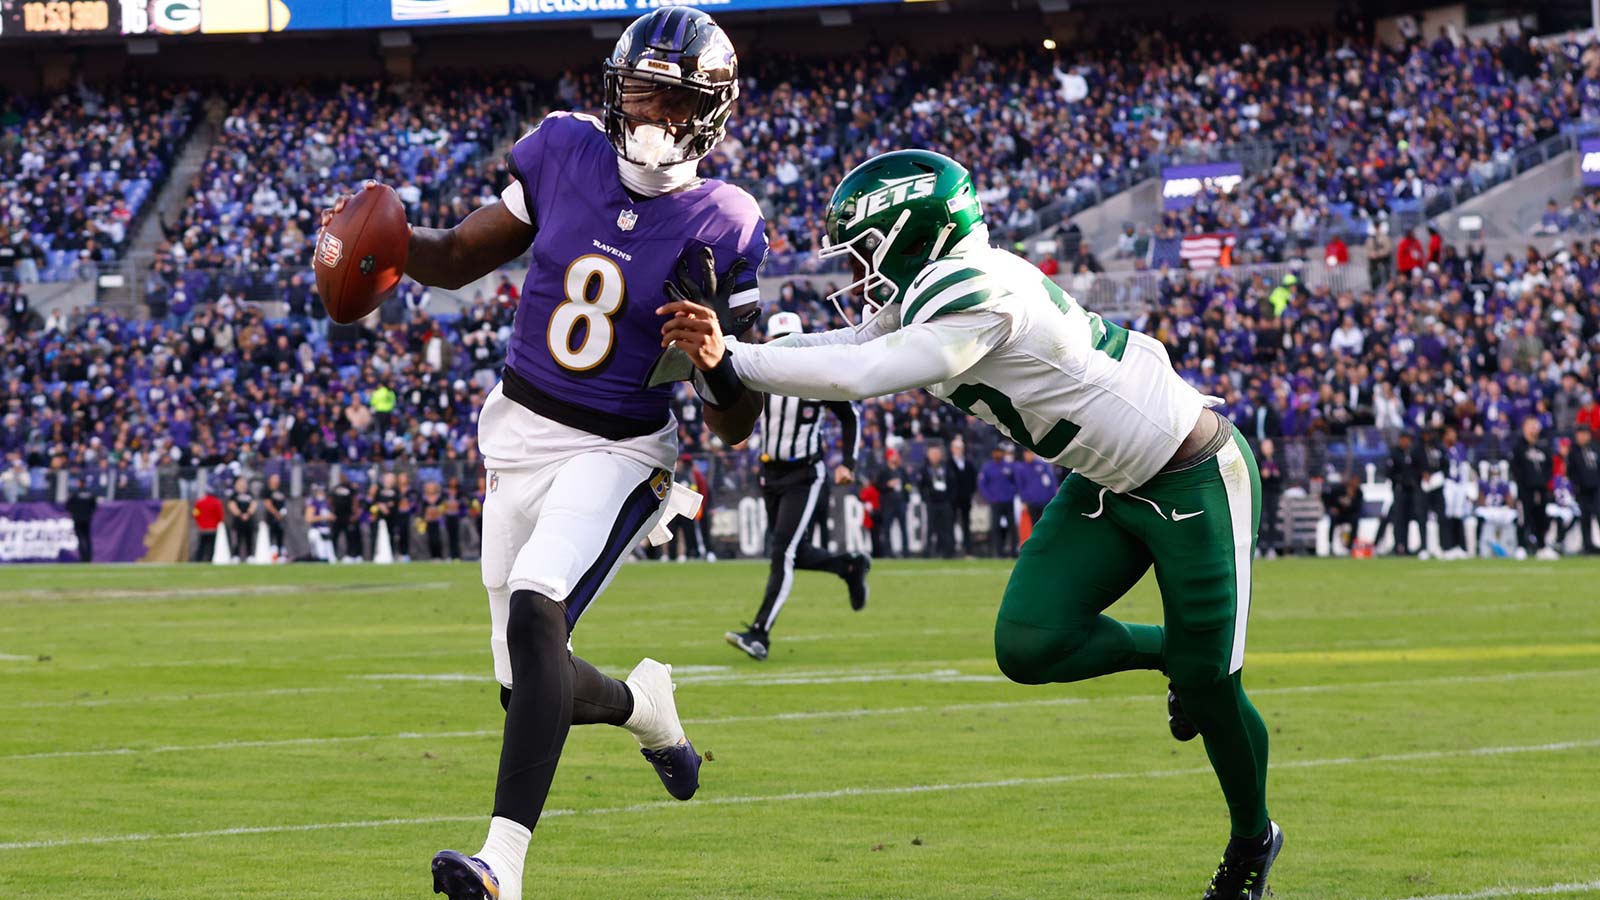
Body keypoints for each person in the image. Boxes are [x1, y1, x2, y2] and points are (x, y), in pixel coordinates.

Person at [662, 149, 1281, 897]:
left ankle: (1252, 840)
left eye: (864, 249)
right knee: (1029, 643)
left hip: (1192, 473)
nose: (856, 271)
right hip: (1108, 480)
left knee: (1213, 690)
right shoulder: (944, 280)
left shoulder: (975, 287)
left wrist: (734, 357)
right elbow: (849, 346)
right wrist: (734, 355)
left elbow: (861, 375)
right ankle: (1172, 656)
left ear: (910, 234)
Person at [325, 11, 767, 898]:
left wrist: (717, 359)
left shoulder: (725, 219)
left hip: (619, 446)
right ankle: (645, 708)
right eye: (636, 88)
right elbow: (460, 255)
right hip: (519, 431)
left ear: (706, 112)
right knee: (524, 682)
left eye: (668, 97)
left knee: (539, 610)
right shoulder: (566, 150)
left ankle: (502, 866)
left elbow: (735, 425)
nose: (645, 109)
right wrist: (384, 249)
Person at [726, 312, 870, 662]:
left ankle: (760, 634)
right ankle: (849, 566)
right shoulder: (759, 373)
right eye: (779, 341)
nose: (785, 348)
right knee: (795, 551)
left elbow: (850, 416)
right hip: (769, 473)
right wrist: (737, 433)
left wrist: (848, 463)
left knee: (783, 552)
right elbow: (738, 407)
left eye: (790, 340)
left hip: (804, 474)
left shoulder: (815, 377)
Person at [1510, 417, 1556, 559]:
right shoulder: (1519, 447)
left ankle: (1542, 547)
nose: (1533, 429)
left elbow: (1549, 466)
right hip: (1525, 489)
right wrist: (1525, 482)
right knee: (1523, 517)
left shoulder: (1543, 446)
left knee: (1541, 517)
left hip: (1541, 489)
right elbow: (1515, 468)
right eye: (1530, 426)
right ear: (1524, 428)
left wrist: (1544, 481)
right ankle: (1521, 546)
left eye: (1535, 426)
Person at [1376, 432, 1420, 556]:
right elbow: (1388, 472)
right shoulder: (1394, 453)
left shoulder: (1412, 453)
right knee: (1398, 520)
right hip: (1399, 490)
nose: (1405, 442)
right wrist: (1401, 479)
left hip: (1412, 491)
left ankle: (1406, 546)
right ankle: (1398, 546)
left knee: (1407, 520)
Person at [1440, 427, 1477, 559]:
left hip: (1460, 483)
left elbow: (1464, 465)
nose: (1452, 436)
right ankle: (1447, 546)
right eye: (1449, 434)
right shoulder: (1442, 448)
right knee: (1448, 513)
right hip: (1448, 483)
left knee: (1458, 514)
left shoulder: (1460, 448)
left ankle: (1460, 546)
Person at [978, 447, 1019, 557]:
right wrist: (990, 497)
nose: (997, 454)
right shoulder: (987, 467)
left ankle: (1013, 551)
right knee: (996, 527)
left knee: (1012, 527)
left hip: (1008, 501)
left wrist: (1011, 493)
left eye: (999, 452)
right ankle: (998, 552)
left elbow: (1016, 481)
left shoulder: (1009, 466)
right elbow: (982, 484)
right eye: (996, 452)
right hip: (995, 502)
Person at [919, 444, 957, 559]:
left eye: (937, 453)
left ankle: (948, 552)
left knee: (947, 527)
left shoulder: (946, 468)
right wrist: (926, 497)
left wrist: (949, 498)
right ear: (928, 455)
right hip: (931, 502)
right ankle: (928, 552)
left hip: (945, 502)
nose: (935, 456)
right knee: (930, 528)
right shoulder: (924, 469)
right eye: (932, 454)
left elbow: (953, 483)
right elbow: (921, 485)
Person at [872, 448, 909, 557]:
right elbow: (877, 486)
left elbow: (907, 484)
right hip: (888, 503)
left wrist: (906, 495)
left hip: (900, 502)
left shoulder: (901, 470)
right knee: (887, 528)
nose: (895, 457)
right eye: (893, 455)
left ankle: (905, 551)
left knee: (904, 528)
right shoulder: (883, 471)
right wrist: (888, 485)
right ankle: (888, 552)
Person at [1568, 426, 1600, 555]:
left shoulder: (1595, 448)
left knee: (1599, 513)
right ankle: (1588, 545)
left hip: (1597, 488)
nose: (1581, 437)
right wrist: (1577, 485)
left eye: (1584, 434)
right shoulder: (1573, 451)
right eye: (1579, 434)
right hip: (1582, 489)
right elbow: (1571, 471)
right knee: (1585, 517)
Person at [1014, 449, 1059, 529]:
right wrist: (1023, 500)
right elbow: (1020, 486)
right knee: (1035, 525)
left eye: (1031, 453)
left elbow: (1052, 481)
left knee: (1048, 524)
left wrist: (1054, 496)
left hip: (1045, 500)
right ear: (1024, 454)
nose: (1029, 455)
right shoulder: (1021, 468)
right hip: (1032, 502)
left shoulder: (1043, 465)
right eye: (1027, 453)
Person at [948, 435, 977, 554]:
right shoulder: (948, 463)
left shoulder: (968, 463)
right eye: (956, 448)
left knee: (966, 523)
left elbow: (973, 479)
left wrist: (970, 492)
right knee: (951, 523)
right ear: (952, 449)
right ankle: (951, 548)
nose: (958, 450)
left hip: (965, 498)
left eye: (960, 448)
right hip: (953, 499)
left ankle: (967, 549)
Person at [1256, 439, 1283, 558]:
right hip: (1262, 493)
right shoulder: (1258, 460)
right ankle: (1258, 547)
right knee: (1261, 520)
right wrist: (1263, 475)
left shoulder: (1278, 460)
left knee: (1272, 520)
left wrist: (1275, 475)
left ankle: (1271, 547)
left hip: (1273, 493)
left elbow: (1282, 476)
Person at [65, 477, 97, 563]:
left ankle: (83, 558)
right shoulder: (90, 494)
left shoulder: (75, 494)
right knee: (87, 538)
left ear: (79, 483)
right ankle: (88, 558)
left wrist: (74, 513)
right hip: (87, 519)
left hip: (77, 519)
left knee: (80, 538)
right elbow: (94, 506)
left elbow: (68, 506)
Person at [330, 478, 361, 562]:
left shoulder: (351, 489)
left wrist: (355, 514)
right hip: (337, 516)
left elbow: (355, 500)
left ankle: (351, 555)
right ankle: (333, 554)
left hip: (348, 516)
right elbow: (330, 500)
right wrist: (331, 512)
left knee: (350, 536)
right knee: (334, 536)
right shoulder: (335, 488)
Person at [226, 476, 257, 562]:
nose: (242, 484)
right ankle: (235, 555)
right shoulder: (234, 495)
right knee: (237, 539)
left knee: (249, 538)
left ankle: (250, 555)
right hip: (238, 521)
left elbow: (254, 504)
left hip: (249, 520)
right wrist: (240, 514)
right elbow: (232, 505)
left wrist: (248, 514)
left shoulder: (250, 494)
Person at [305, 484, 335, 562]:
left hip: (326, 531)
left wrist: (331, 517)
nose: (322, 493)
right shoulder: (313, 503)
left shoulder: (326, 503)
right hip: (317, 531)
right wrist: (324, 517)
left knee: (330, 558)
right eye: (320, 491)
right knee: (321, 557)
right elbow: (308, 519)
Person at [193, 487, 224, 562]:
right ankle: (209, 560)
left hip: (202, 528)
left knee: (201, 545)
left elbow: (195, 514)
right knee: (211, 546)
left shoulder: (200, 502)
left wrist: (199, 523)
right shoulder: (217, 502)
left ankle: (198, 560)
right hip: (213, 528)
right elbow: (220, 515)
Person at [263, 472, 289, 561]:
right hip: (271, 517)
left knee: (280, 535)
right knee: (271, 535)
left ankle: (281, 555)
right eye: (275, 479)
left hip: (281, 517)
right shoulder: (268, 491)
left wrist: (282, 513)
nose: (277, 481)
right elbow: (268, 504)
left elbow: (284, 504)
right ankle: (271, 555)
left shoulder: (281, 491)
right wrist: (276, 513)